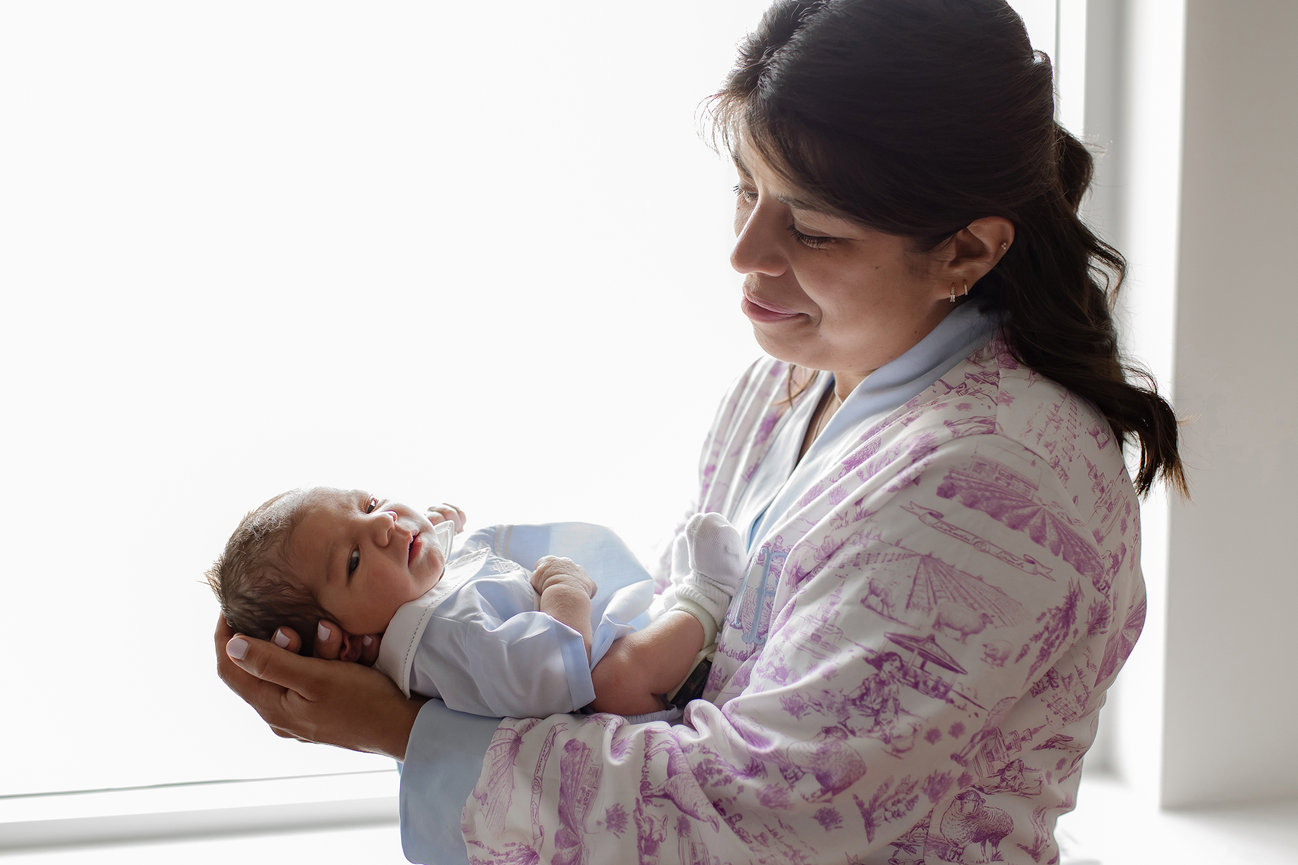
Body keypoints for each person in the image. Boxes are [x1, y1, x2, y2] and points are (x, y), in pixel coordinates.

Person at [215, 0, 1187, 862]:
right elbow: (716, 649)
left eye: (808, 229)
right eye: (743, 188)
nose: (742, 254)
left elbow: (766, 806)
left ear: (965, 250)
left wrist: (408, 732)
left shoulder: (997, 484)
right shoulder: (788, 383)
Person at [207, 486, 746, 718]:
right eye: (350, 559)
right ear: (345, 644)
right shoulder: (442, 638)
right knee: (617, 678)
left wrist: (442, 528)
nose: (383, 522)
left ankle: (676, 614)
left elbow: (433, 571)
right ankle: (706, 599)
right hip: (609, 695)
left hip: (611, 637)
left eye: (368, 504)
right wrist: (564, 594)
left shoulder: (408, 604)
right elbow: (553, 671)